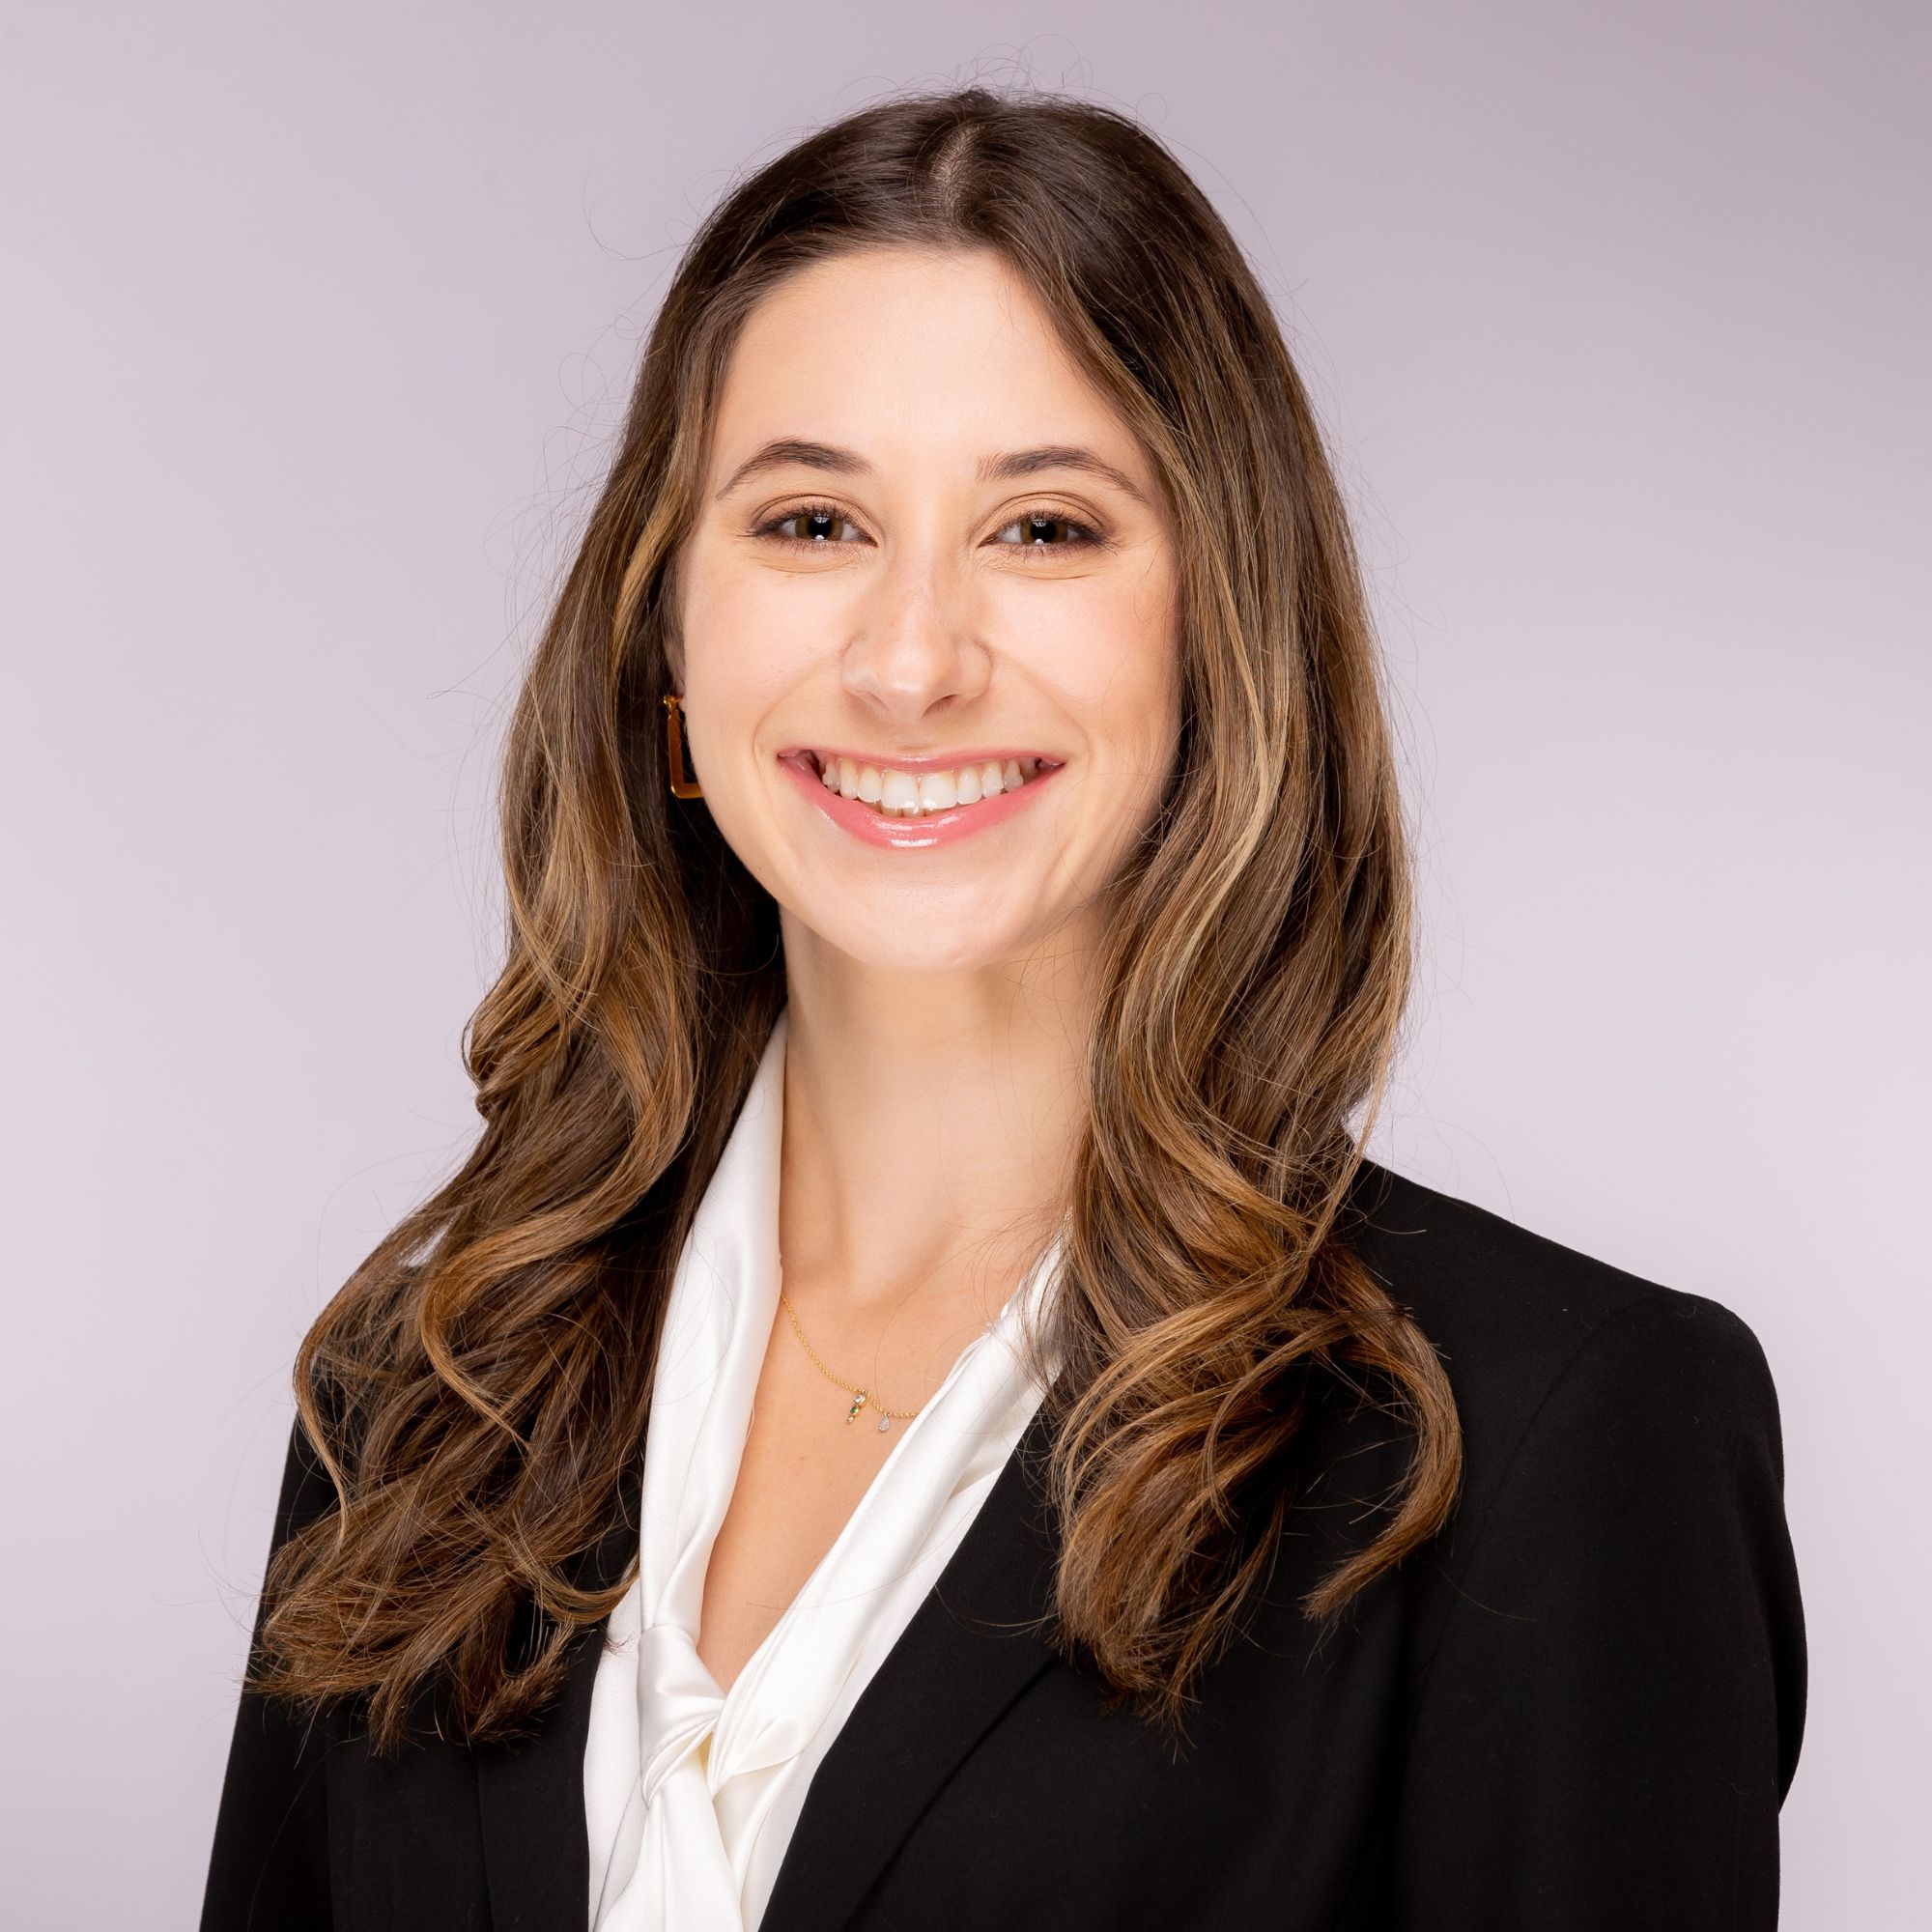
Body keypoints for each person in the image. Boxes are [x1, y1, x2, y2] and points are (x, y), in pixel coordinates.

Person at [199, 86, 1805, 1932]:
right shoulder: (420, 1405)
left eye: (1044, 530)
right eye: (811, 521)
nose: (909, 662)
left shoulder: (1549, 1439)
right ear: (667, 640)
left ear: (1220, 633)